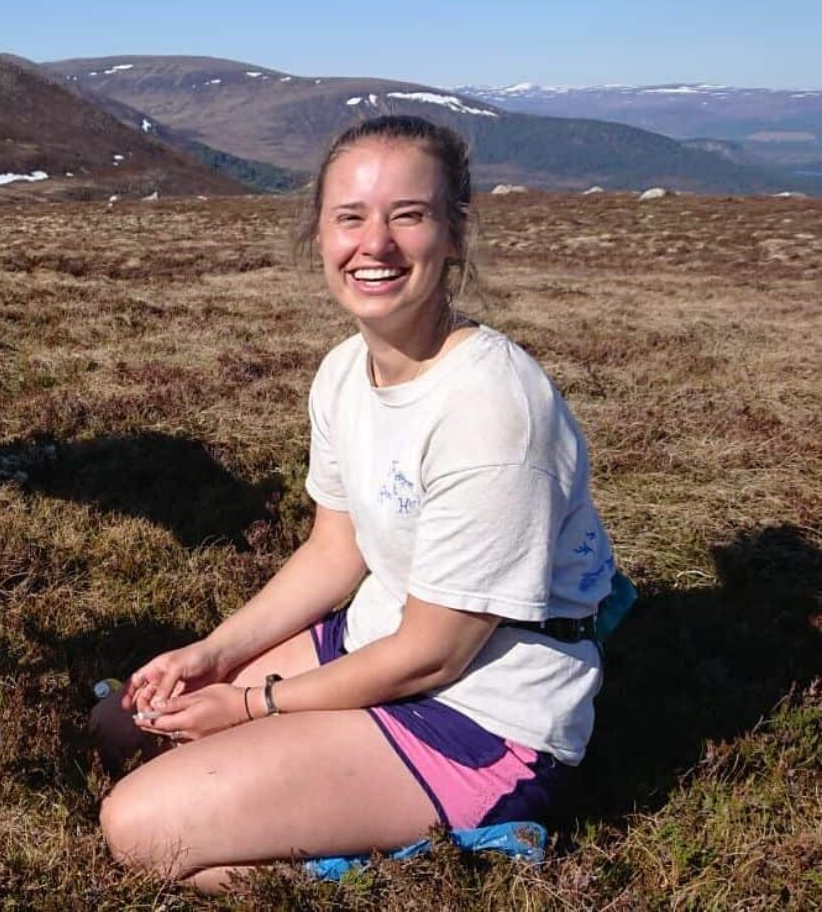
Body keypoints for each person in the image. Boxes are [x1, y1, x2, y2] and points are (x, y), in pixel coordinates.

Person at [91, 115, 616, 892]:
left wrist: (249, 706)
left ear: (454, 232)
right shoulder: (343, 372)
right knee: (118, 727)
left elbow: (434, 653)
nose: (375, 244)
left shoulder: (493, 409)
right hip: (371, 640)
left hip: (478, 714)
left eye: (408, 215)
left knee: (138, 832)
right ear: (320, 235)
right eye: (351, 217)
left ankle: (458, 851)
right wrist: (213, 655)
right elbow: (336, 551)